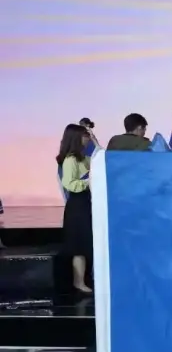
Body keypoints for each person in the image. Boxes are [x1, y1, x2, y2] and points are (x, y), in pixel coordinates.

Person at [57, 124, 92, 294]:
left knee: (85, 244)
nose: (88, 139)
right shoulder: (71, 160)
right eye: (85, 136)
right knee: (79, 246)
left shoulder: (85, 158)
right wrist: (88, 182)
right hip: (78, 206)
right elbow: (69, 184)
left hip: (86, 203)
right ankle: (78, 281)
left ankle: (84, 279)